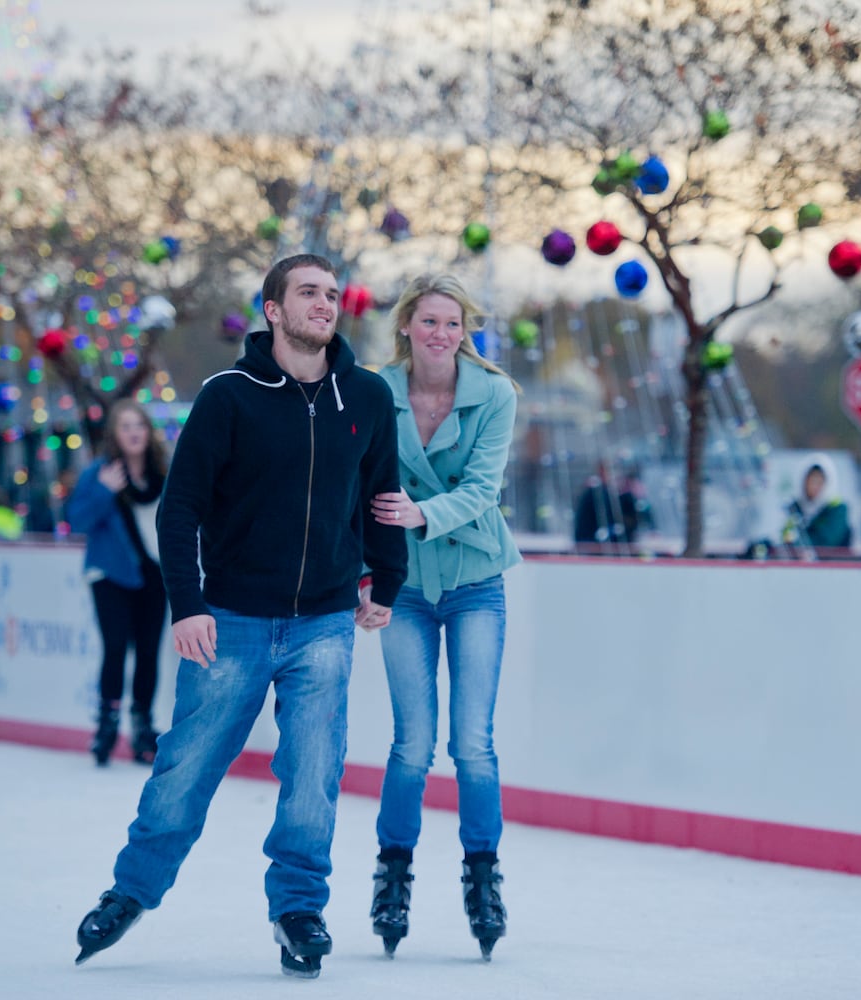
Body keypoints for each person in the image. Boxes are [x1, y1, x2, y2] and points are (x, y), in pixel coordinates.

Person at [72, 254, 408, 980]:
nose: (324, 305)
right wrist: (187, 605)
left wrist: (387, 581)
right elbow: (179, 507)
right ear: (273, 311)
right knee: (186, 766)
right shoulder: (228, 396)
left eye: (329, 294)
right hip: (230, 621)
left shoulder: (368, 396)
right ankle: (131, 891)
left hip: (323, 621)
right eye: (307, 294)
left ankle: (298, 909)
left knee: (314, 771)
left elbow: (382, 495)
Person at [366, 274, 522, 961]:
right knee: (411, 743)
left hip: (474, 580)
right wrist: (363, 576)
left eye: (452, 324)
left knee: (471, 744)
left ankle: (482, 876)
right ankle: (392, 874)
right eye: (428, 322)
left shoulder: (493, 394)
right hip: (401, 585)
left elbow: (484, 488)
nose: (440, 334)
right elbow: (353, 486)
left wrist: (424, 511)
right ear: (406, 325)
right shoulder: (376, 393)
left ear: (465, 332)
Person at [67, 400, 169, 766]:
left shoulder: (162, 474)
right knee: (114, 647)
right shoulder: (101, 473)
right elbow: (77, 520)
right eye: (125, 426)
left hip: (156, 574)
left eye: (139, 425)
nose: (133, 433)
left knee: (147, 651)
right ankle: (107, 724)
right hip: (111, 573)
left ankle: (142, 725)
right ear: (115, 434)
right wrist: (104, 491)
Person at [572, 462, 650, 549]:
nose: (616, 476)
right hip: (591, 543)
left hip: (589, 540)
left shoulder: (600, 492)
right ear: (602, 472)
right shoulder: (597, 493)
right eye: (613, 471)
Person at [782, 453, 852, 549]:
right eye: (811, 480)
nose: (814, 486)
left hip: (832, 562)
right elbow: (787, 535)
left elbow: (827, 541)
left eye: (819, 481)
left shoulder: (837, 509)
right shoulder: (795, 508)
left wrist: (798, 546)